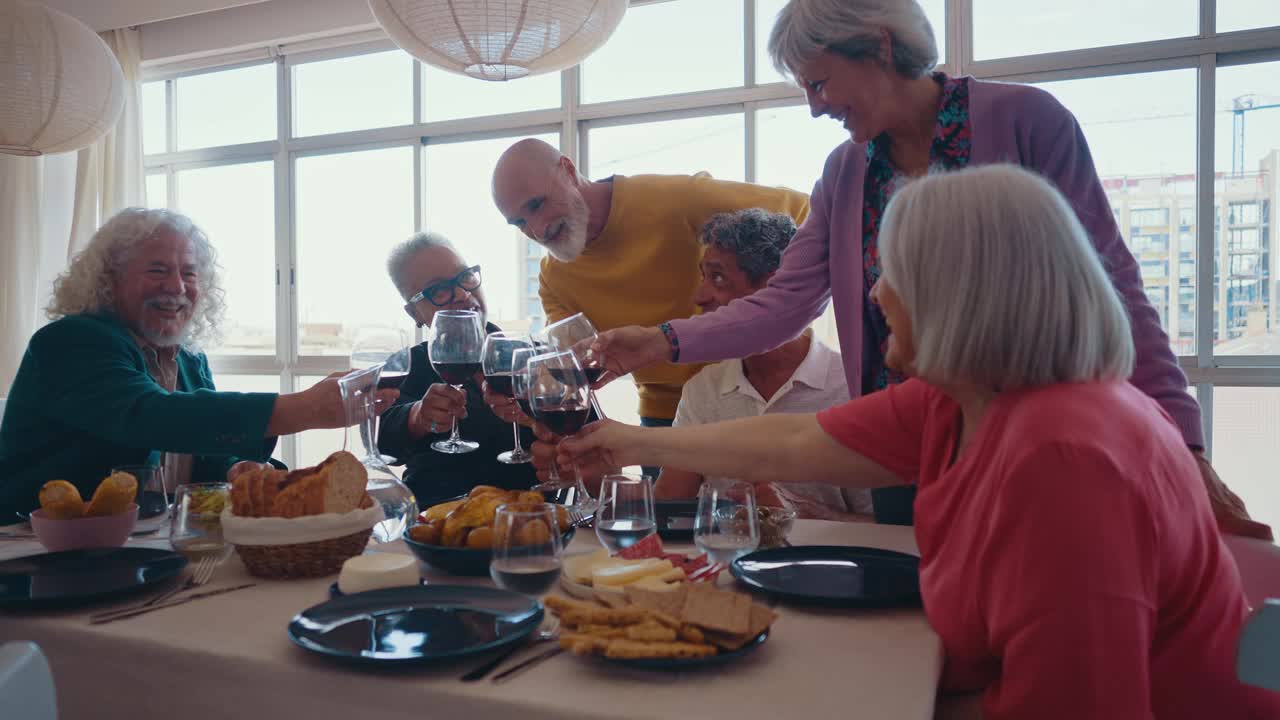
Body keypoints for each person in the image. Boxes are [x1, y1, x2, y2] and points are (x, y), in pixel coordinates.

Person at [561, 166, 1280, 719]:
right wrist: (624, 443)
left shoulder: (1064, 456)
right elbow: (791, 443)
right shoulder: (966, 398)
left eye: (891, 275)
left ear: (960, 292)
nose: (874, 297)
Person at [590, 0, 1269, 539]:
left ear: (880, 48)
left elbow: (1112, 287)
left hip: (1019, 432)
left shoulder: (1027, 120)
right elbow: (786, 302)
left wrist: (1185, 448)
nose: (815, 107)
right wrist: (661, 341)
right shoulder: (846, 169)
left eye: (820, 82)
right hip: (904, 436)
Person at [0, 208, 394, 519]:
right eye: (158, 271)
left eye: (189, 273)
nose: (176, 287)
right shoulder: (71, 340)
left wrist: (238, 467)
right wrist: (303, 408)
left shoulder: (188, 357)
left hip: (149, 547)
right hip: (36, 550)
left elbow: (200, 449)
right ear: (109, 280)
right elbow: (148, 415)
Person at [489, 138, 811, 445]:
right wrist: (527, 398)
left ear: (569, 171)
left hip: (746, 397)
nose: (538, 229)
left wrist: (780, 306)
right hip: (662, 418)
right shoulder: (553, 277)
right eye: (520, 222)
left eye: (537, 204)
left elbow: (804, 213)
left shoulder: (677, 200)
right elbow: (573, 370)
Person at [656, 208, 871, 521]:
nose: (699, 296)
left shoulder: (852, 388)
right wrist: (596, 473)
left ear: (774, 291)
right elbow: (666, 507)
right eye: (704, 276)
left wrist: (805, 513)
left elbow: (896, 528)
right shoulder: (703, 389)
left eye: (717, 277)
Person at [377, 231, 537, 507]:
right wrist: (416, 417)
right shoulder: (406, 366)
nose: (463, 294)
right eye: (438, 290)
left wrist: (538, 419)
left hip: (531, 517)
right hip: (436, 524)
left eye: (465, 277)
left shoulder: (533, 356)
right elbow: (381, 441)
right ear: (414, 313)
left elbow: (587, 432)